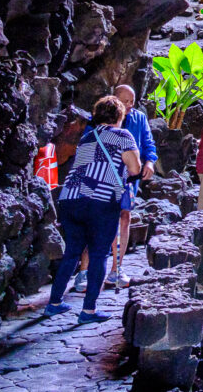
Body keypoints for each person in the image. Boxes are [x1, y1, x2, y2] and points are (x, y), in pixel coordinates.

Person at [43, 95, 141, 323]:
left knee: (72, 251)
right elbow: (134, 168)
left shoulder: (87, 137)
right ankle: (88, 311)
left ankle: (54, 303)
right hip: (100, 200)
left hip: (70, 198)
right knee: (98, 254)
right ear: (119, 115)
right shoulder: (123, 135)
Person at [73, 84, 155, 292]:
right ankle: (85, 270)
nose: (130, 106)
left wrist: (150, 162)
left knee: (124, 219)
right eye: (125, 101)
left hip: (127, 182)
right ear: (114, 100)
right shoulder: (98, 123)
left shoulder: (139, 118)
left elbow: (148, 143)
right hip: (101, 182)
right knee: (96, 223)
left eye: (132, 101)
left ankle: (116, 270)